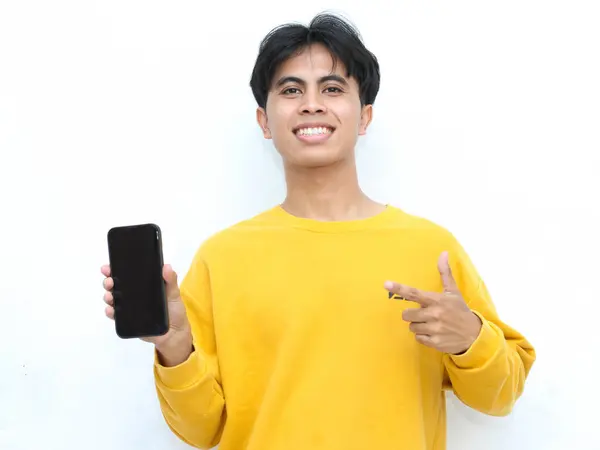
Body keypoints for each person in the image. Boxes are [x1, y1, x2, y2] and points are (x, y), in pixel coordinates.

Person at [101, 12, 536, 450]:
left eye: (332, 88)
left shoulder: (430, 249)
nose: (312, 104)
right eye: (291, 90)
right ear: (264, 121)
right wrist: (176, 347)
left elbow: (499, 396)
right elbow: (201, 429)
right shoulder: (223, 257)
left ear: (364, 116)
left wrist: (471, 340)